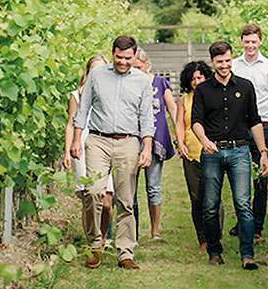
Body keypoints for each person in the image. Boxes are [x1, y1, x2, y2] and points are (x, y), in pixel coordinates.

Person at [70, 35, 154, 270]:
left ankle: (125, 251)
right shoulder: (97, 75)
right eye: (119, 57)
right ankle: (94, 244)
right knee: (93, 191)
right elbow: (83, 108)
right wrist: (76, 139)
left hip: (128, 142)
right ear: (113, 53)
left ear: (134, 56)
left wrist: (147, 147)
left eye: (128, 58)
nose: (123, 62)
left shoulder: (142, 81)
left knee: (125, 200)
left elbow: (147, 117)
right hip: (98, 140)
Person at [190, 40, 268, 270]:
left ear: (231, 59)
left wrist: (262, 152)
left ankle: (247, 255)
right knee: (210, 205)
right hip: (213, 151)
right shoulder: (203, 90)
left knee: (243, 204)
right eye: (219, 62)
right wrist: (204, 141)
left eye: (227, 61)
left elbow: (255, 121)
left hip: (240, 151)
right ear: (212, 62)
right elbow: (196, 121)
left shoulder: (245, 86)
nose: (224, 65)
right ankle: (215, 251)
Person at [230, 23, 268, 241]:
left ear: (260, 41)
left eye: (254, 41)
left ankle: (257, 226)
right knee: (238, 175)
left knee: (261, 177)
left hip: (263, 126)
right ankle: (243, 220)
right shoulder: (234, 66)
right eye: (247, 41)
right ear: (241, 42)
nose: (250, 45)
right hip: (239, 126)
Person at [62, 54, 112, 243]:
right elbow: (70, 123)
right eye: (93, 69)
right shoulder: (77, 95)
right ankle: (93, 243)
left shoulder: (112, 92)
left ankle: (103, 236)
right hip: (82, 145)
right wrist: (67, 151)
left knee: (106, 202)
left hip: (105, 143)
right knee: (88, 197)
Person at [132, 50, 177, 239]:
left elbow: (172, 108)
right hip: (132, 138)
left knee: (153, 186)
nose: (136, 71)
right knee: (130, 188)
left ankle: (155, 230)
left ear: (147, 64)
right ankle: (132, 231)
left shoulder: (160, 83)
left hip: (156, 138)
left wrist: (179, 133)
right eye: (133, 67)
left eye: (139, 67)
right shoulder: (129, 83)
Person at [176, 59, 221, 251]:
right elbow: (180, 124)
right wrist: (180, 144)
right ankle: (203, 237)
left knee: (214, 197)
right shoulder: (184, 100)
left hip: (211, 152)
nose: (196, 82)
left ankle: (216, 236)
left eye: (200, 78)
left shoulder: (215, 96)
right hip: (191, 154)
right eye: (193, 79)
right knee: (197, 197)